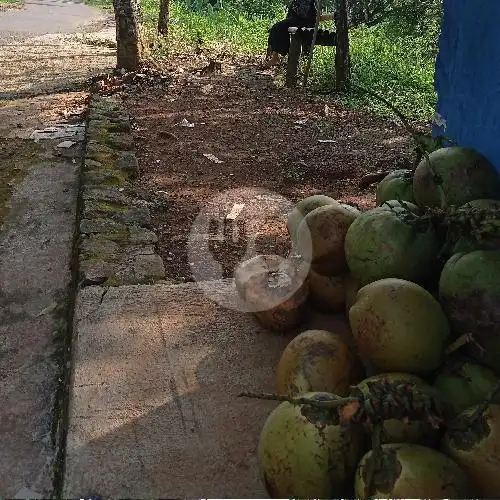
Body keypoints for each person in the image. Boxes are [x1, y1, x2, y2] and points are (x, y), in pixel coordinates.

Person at [265, 0, 336, 68]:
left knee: (279, 27)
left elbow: (314, 16)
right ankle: (274, 55)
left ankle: (275, 56)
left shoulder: (312, 2)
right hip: (297, 20)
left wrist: (332, 16)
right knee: (276, 27)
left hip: (305, 22)